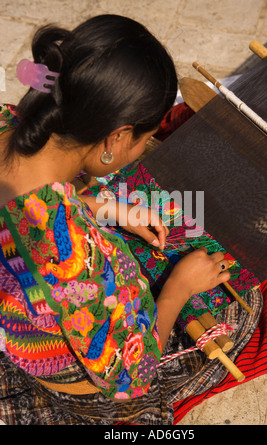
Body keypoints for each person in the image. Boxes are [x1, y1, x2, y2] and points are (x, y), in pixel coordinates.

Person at [0, 14, 235, 422]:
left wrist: (109, 209)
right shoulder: (72, 257)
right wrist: (178, 289)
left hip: (24, 314)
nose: (145, 146)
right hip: (82, 383)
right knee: (240, 310)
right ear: (118, 137)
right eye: (145, 139)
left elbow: (27, 207)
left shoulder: (6, 122)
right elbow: (132, 378)